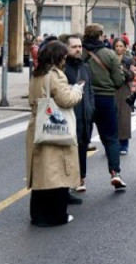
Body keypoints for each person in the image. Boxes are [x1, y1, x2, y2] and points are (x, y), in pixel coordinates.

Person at [26, 41, 83, 227]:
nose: (65, 60)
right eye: (64, 56)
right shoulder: (56, 75)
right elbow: (66, 100)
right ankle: (56, 216)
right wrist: (77, 90)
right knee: (57, 173)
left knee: (41, 175)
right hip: (55, 128)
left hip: (38, 126)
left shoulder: (37, 74)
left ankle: (38, 216)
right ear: (58, 57)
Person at [82, 24, 128, 189]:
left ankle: (80, 179)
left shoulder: (80, 53)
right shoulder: (109, 54)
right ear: (101, 36)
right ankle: (115, 173)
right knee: (111, 138)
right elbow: (118, 80)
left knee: (82, 140)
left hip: (84, 99)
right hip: (106, 99)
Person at [62, 34, 95, 192]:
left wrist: (90, 108)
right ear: (66, 48)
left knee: (82, 148)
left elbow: (90, 90)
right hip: (68, 115)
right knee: (68, 150)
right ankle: (67, 181)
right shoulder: (62, 68)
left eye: (79, 46)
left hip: (84, 115)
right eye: (74, 47)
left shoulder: (85, 66)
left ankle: (81, 178)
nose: (78, 49)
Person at [114, 38, 136, 156]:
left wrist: (123, 69)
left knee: (124, 117)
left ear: (125, 47)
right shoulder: (110, 59)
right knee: (112, 117)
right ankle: (113, 144)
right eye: (117, 46)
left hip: (125, 89)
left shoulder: (129, 60)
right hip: (112, 90)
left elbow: (132, 75)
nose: (118, 48)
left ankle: (124, 144)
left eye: (121, 46)